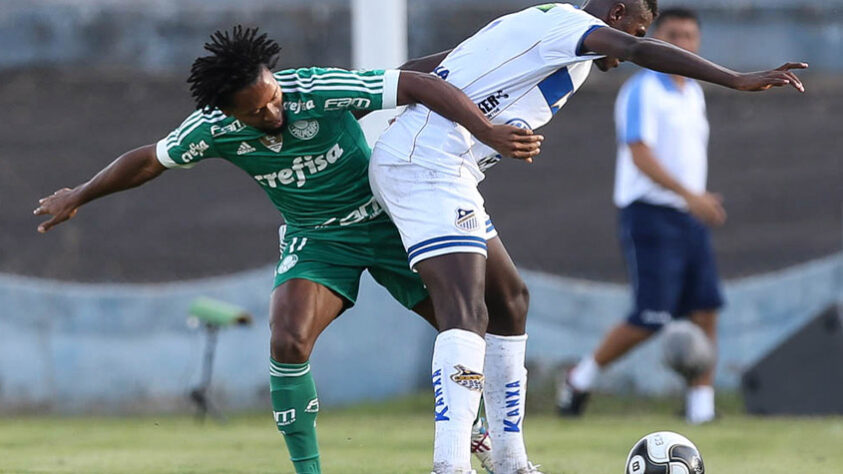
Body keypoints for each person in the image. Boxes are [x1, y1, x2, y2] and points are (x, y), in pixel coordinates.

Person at [32, 26, 539, 474]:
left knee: (468, 328)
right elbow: (148, 159)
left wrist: (486, 122)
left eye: (272, 96)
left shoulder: (316, 88)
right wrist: (78, 195)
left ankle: (489, 443)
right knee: (288, 342)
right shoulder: (212, 130)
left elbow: (415, 81)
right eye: (256, 110)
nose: (273, 110)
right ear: (227, 112)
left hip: (388, 222)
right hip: (317, 239)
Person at [368, 1, 805, 473]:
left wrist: (370, 99)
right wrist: (736, 79)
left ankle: (511, 461)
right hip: (424, 164)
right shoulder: (575, 27)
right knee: (467, 311)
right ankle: (450, 464)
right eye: (636, 26)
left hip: (447, 170)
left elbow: (428, 69)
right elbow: (636, 49)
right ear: (616, 14)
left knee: (510, 300)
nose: (619, 56)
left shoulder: (537, 26)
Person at [558, 7, 723, 425]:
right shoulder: (643, 89)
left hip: (690, 215)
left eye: (689, 35)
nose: (682, 43)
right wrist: (691, 196)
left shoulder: (694, 91)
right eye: (673, 35)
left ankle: (701, 411)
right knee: (651, 315)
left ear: (698, 42)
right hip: (650, 214)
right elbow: (640, 152)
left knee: (705, 309)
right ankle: (578, 379)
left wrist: (698, 199)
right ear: (655, 38)